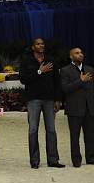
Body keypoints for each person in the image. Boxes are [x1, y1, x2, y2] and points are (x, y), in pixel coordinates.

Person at [19, 38, 65, 169]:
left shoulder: (51, 60)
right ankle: (34, 161)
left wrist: (58, 99)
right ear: (33, 47)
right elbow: (23, 79)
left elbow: (57, 81)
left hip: (49, 100)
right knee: (33, 130)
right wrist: (39, 71)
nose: (41, 45)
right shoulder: (26, 61)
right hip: (33, 100)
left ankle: (53, 160)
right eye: (38, 44)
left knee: (51, 130)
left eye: (42, 44)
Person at [60, 47, 94, 167]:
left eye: (81, 53)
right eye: (77, 53)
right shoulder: (65, 70)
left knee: (90, 135)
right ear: (71, 56)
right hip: (74, 109)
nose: (80, 55)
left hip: (89, 108)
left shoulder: (90, 69)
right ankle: (76, 160)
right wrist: (80, 81)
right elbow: (65, 89)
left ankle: (91, 158)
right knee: (75, 136)